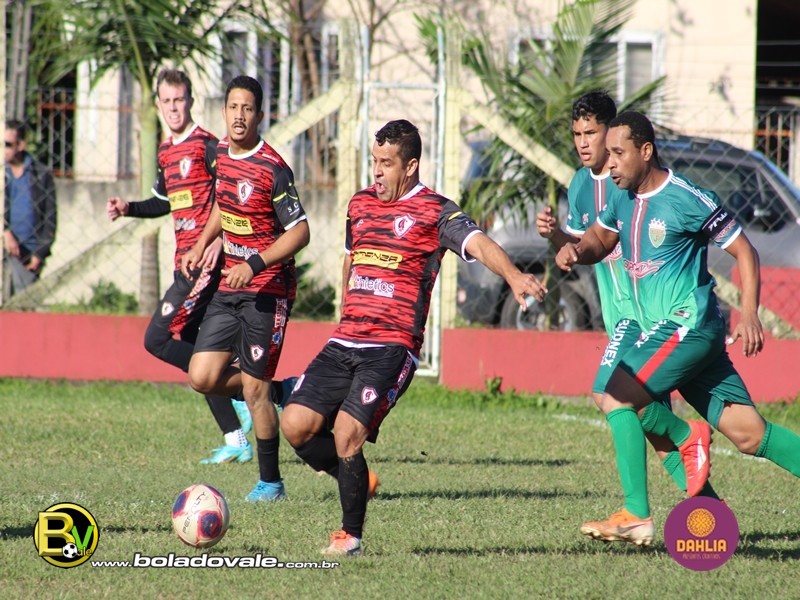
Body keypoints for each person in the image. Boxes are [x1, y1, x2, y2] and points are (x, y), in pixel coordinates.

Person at [280, 119, 548, 557]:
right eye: (374, 161)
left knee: (347, 432)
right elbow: (351, 258)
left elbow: (478, 243)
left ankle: (350, 536)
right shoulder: (359, 204)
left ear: (411, 166)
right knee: (295, 425)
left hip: (392, 346)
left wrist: (515, 276)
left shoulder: (435, 211)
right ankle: (357, 478)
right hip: (346, 339)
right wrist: (346, 306)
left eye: (387, 163)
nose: (377, 171)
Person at [556, 110, 800, 546]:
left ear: (646, 151)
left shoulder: (687, 198)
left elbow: (745, 251)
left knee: (616, 396)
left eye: (619, 153)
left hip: (689, 325)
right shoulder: (620, 196)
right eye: (609, 153)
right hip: (660, 331)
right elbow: (599, 240)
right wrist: (576, 250)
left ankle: (639, 510)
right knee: (749, 435)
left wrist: (749, 313)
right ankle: (713, 517)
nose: (610, 163)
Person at [537, 91, 718, 503]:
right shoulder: (580, 184)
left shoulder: (630, 184)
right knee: (650, 423)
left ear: (612, 133)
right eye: (577, 134)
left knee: (608, 394)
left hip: (639, 317)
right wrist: (557, 237)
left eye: (591, 133)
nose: (583, 143)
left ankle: (642, 506)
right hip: (618, 315)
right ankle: (709, 510)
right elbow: (584, 247)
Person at [106, 69, 295, 465]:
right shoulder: (166, 151)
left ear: (191, 101)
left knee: (157, 338)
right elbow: (165, 202)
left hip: (211, 268)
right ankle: (248, 414)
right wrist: (129, 208)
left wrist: (217, 242)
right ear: (158, 104)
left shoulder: (211, 147)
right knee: (198, 351)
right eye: (167, 101)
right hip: (188, 261)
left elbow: (232, 199)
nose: (174, 108)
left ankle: (252, 399)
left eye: (180, 99)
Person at [181, 74, 310, 502]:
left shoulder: (274, 168)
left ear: (259, 115)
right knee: (202, 377)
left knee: (253, 390)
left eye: (248, 109)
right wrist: (202, 243)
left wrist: (254, 264)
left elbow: (301, 232)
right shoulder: (219, 154)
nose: (239, 116)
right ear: (224, 111)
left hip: (268, 290)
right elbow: (224, 202)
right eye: (234, 107)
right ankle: (279, 389)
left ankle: (271, 483)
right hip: (229, 285)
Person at [3, 120, 57, 297]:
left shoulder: (40, 174)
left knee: (23, 303)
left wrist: (40, 252)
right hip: (5, 244)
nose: (4, 149)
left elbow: (50, 217)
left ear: (20, 145)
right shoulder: (3, 173)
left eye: (8, 144)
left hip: (27, 251)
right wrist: (5, 231)